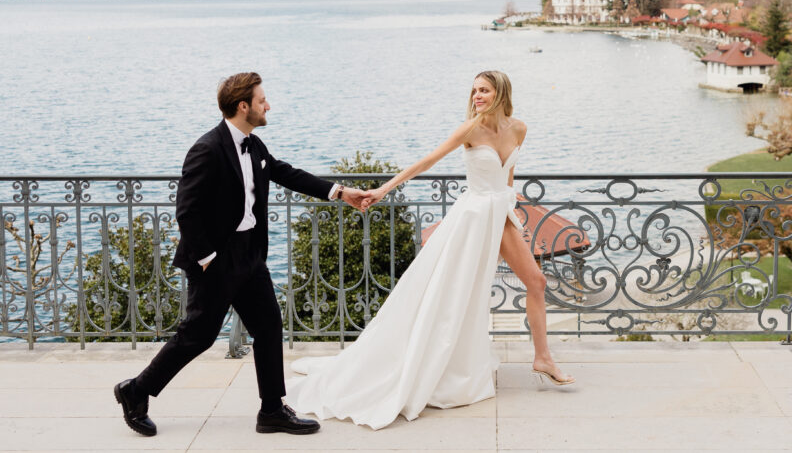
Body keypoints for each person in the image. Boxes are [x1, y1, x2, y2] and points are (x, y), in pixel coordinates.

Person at [286, 70, 573, 430]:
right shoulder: (468, 130)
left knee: (536, 281)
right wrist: (383, 190)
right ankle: (440, 363)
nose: (476, 97)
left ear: (501, 92)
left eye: (483, 90)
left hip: (500, 215)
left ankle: (543, 358)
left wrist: (513, 206)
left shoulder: (519, 128)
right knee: (454, 297)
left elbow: (509, 172)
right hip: (471, 219)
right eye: (474, 91)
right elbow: (425, 163)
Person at [114, 72, 367, 437]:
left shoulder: (255, 145)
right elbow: (187, 210)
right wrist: (206, 259)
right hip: (217, 259)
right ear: (243, 105)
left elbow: (286, 173)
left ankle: (272, 410)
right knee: (197, 336)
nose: (269, 105)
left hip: (249, 255)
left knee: (268, 325)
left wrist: (341, 192)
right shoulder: (207, 149)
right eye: (263, 99)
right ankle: (135, 390)